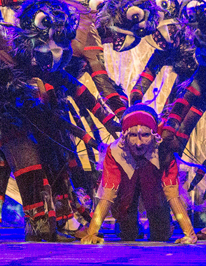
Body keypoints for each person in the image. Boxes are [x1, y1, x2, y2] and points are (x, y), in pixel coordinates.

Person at [80, 104, 197, 244]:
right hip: (125, 195)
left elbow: (172, 194)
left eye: (145, 135)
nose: (139, 143)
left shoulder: (163, 153)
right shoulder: (115, 153)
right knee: (127, 233)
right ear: (125, 135)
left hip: (155, 194)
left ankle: (163, 222)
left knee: (161, 235)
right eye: (133, 135)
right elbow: (108, 195)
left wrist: (189, 233)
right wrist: (92, 233)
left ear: (153, 135)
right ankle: (126, 222)